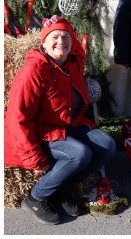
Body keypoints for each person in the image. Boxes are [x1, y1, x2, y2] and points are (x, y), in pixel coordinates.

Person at [4, 16, 116, 224]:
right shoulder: (34, 69)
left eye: (66, 36)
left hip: (67, 126)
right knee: (78, 154)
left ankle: (63, 190)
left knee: (107, 145)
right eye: (54, 36)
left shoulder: (73, 62)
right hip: (40, 132)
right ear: (44, 42)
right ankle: (37, 196)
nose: (61, 41)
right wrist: (35, 160)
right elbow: (17, 118)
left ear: (72, 41)